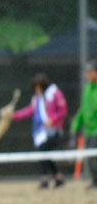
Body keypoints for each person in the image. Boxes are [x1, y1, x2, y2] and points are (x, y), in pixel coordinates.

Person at [10, 72, 67, 189]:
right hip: (41, 131)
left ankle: (45, 179)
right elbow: (29, 110)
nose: (36, 90)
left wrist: (53, 119)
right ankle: (58, 177)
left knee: (43, 151)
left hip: (53, 130)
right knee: (46, 154)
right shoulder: (37, 98)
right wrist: (14, 116)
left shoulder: (54, 93)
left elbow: (63, 110)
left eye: (38, 87)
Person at [70, 60, 97, 189]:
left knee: (94, 158)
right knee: (91, 158)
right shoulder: (87, 89)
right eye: (87, 72)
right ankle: (95, 181)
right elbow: (83, 110)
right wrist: (75, 125)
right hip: (90, 130)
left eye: (90, 71)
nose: (87, 74)